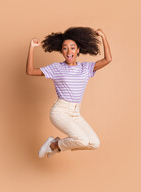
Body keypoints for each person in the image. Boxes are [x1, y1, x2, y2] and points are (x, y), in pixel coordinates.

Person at [26, 27, 112, 158]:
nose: (69, 51)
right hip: (60, 111)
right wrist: (31, 47)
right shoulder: (57, 68)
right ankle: (52, 145)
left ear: (78, 50)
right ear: (61, 51)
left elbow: (107, 59)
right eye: (65, 48)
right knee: (82, 139)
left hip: (76, 113)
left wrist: (103, 37)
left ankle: (56, 145)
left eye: (72, 47)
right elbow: (30, 71)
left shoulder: (86, 68)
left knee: (94, 143)